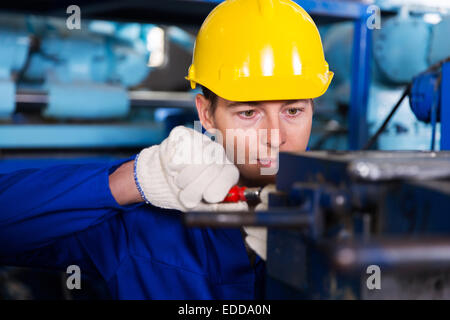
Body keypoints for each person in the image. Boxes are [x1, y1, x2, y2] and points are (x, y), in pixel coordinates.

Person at [0, 0, 332, 299]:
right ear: (205, 113)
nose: (275, 137)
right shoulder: (143, 225)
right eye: (248, 112)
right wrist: (133, 180)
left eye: (293, 110)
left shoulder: (341, 217)